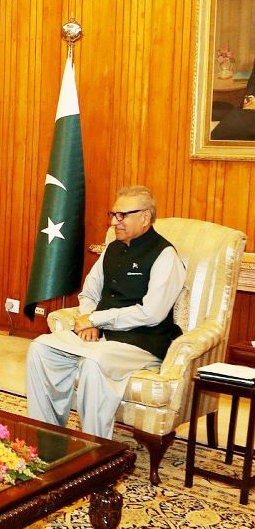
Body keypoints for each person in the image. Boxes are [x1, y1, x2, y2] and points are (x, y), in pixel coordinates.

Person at [26, 185, 186, 439]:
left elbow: (152, 313)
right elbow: (89, 294)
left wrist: (96, 319)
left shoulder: (164, 255)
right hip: (102, 337)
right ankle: (47, 435)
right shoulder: (112, 249)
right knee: (40, 348)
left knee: (94, 363)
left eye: (122, 215)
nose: (114, 222)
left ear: (145, 217)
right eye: (113, 214)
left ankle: (96, 447)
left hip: (142, 344)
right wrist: (90, 322)